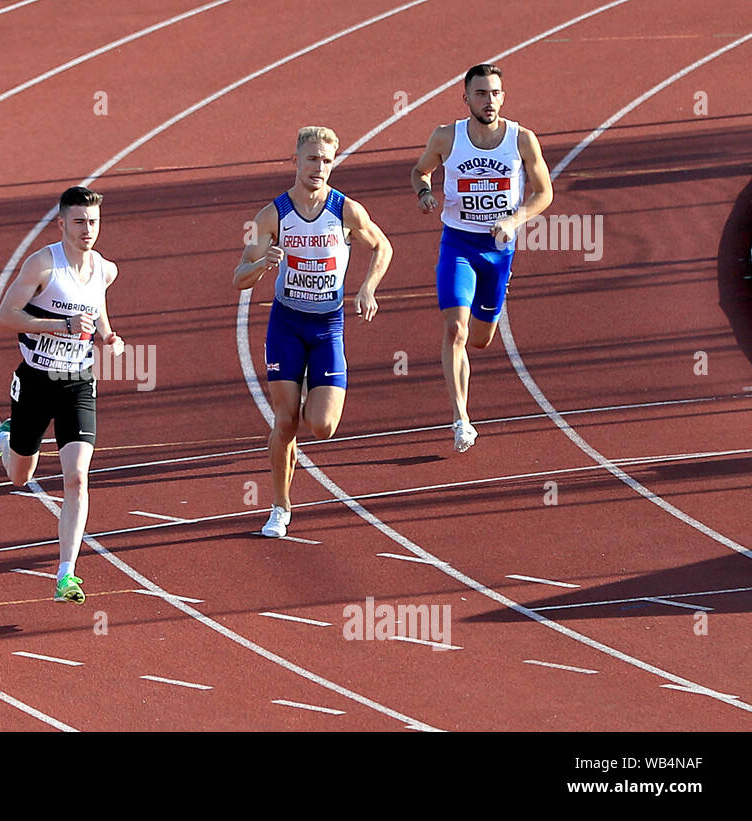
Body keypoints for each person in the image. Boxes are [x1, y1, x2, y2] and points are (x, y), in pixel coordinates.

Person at [234, 127, 392, 539]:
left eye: (326, 160)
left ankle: (309, 386)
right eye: (311, 159)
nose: (318, 167)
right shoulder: (271, 216)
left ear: (332, 163)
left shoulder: (346, 211)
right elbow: (239, 278)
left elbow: (383, 246)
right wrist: (263, 263)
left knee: (322, 426)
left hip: (327, 326)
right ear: (296, 161)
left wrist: (368, 287)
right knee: (285, 421)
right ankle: (279, 506)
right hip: (286, 324)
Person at [0, 186, 124, 604]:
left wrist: (108, 336)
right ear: (61, 223)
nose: (88, 229)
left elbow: (97, 308)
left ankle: (67, 574)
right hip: (35, 382)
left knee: (77, 477)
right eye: (79, 221)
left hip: (78, 383)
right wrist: (60, 327)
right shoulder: (43, 264)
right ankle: (7, 438)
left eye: (94, 222)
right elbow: (5, 317)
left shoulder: (104, 268)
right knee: (20, 477)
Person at [410, 62, 553, 451]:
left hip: (499, 250)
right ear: (466, 98)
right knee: (456, 330)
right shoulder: (446, 137)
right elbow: (420, 171)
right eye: (480, 93)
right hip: (458, 244)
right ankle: (461, 419)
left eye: (494, 93)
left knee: (481, 340)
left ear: (502, 97)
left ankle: (498, 292)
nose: (488, 101)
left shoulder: (522, 139)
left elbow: (544, 193)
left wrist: (516, 218)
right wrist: (424, 192)